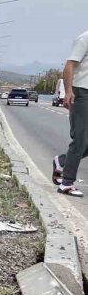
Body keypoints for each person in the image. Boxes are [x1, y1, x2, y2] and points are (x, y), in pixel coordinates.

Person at [52, 30, 88, 196]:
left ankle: (61, 161)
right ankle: (66, 183)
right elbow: (70, 65)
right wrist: (68, 90)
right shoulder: (85, 38)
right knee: (80, 138)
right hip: (81, 92)